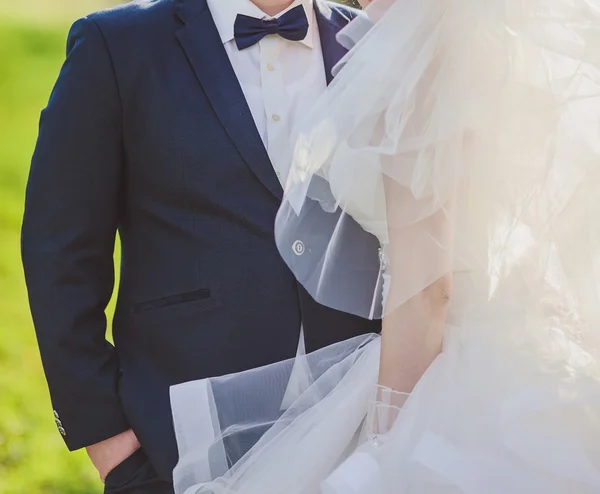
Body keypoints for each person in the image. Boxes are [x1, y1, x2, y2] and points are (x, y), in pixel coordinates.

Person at [169, 0, 600, 492]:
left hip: (440, 371)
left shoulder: (420, 67)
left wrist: (386, 441)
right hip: (520, 359)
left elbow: (427, 287)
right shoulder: (496, 51)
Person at [20, 0, 381, 492]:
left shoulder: (373, 42)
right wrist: (106, 438)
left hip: (362, 432)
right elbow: (58, 250)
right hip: (180, 442)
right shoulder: (117, 46)